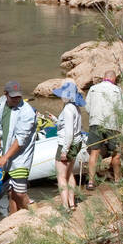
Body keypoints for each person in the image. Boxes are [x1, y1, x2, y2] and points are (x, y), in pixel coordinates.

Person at [0, 80, 37, 214]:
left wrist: (5, 157)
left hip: (21, 158)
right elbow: (0, 133)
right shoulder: (1, 107)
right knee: (10, 192)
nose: (17, 99)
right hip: (8, 156)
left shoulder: (27, 112)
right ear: (5, 94)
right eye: (13, 97)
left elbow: (20, 140)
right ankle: (13, 218)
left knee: (20, 192)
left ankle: (37, 216)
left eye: (19, 96)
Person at [85, 70, 123, 190]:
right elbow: (122, 110)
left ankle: (91, 182)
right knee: (116, 153)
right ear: (114, 79)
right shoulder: (117, 90)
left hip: (96, 123)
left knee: (94, 152)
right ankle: (117, 180)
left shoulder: (93, 89)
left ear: (104, 77)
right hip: (112, 124)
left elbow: (87, 107)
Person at [52, 80, 85, 211]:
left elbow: (69, 133)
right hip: (77, 143)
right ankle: (72, 203)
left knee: (61, 176)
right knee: (69, 174)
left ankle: (65, 206)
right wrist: (55, 120)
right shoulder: (76, 107)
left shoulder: (67, 109)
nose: (60, 96)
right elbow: (75, 127)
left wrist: (64, 150)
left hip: (68, 144)